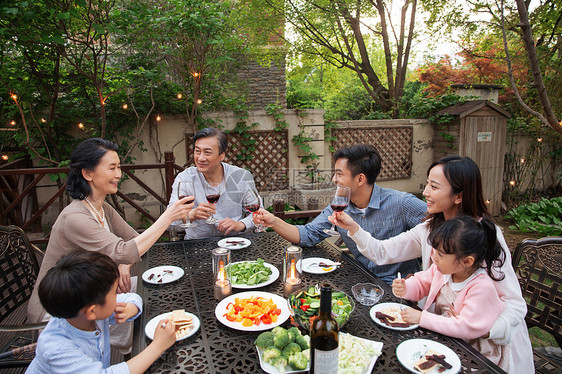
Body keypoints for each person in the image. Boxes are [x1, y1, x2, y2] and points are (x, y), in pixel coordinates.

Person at [329, 155, 534, 373]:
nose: (425, 192)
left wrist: (482, 329)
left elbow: (515, 304)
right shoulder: (431, 228)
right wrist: (353, 227)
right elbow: (382, 252)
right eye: (427, 183)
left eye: (434, 187)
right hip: (442, 334)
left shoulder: (482, 237)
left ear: (458, 196)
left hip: (489, 350)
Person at [28, 138, 194, 324]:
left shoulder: (102, 208)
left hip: (91, 291)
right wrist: (168, 217)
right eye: (112, 168)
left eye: (119, 167)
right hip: (60, 308)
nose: (119, 174)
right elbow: (124, 251)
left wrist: (125, 264)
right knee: (148, 309)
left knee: (161, 288)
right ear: (88, 173)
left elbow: (133, 241)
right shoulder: (75, 217)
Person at [254, 144, 427, 284]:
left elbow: (441, 230)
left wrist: (424, 276)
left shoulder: (402, 203)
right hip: (360, 281)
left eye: (339, 174)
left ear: (360, 179)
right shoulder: (340, 206)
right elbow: (308, 234)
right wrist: (274, 221)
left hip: (398, 288)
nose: (333, 180)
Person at [26, 251, 177, 374]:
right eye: (114, 293)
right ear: (92, 311)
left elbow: (132, 296)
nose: (117, 296)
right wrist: (158, 345)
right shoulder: (57, 348)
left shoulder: (82, 311)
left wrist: (131, 308)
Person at [392, 216, 511, 371]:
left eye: (440, 255)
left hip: (474, 353)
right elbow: (422, 282)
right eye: (435, 251)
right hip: (448, 337)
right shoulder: (444, 270)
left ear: (467, 261)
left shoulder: (481, 287)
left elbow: (465, 327)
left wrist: (422, 318)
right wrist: (406, 287)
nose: (433, 257)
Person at [168, 127, 258, 239]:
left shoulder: (240, 176)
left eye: (207, 152)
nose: (200, 158)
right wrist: (191, 215)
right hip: (196, 245)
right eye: (197, 151)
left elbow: (260, 214)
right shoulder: (185, 178)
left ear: (222, 155)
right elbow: (169, 222)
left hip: (234, 243)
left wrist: (241, 225)